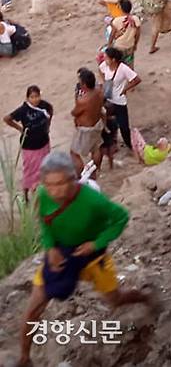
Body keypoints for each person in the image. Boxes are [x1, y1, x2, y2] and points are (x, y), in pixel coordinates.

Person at [16, 151, 156, 367]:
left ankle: (144, 298)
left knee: (115, 300)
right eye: (49, 184)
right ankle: (24, 359)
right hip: (61, 256)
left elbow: (121, 218)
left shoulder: (93, 201)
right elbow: (46, 221)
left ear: (73, 178)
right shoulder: (44, 194)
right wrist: (50, 247)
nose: (54, 191)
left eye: (60, 183)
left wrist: (96, 243)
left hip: (93, 258)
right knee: (33, 307)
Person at [4, 86, 53, 200]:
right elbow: (7, 119)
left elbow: (51, 110)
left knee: (44, 167)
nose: (35, 99)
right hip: (30, 147)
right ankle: (26, 194)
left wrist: (48, 125)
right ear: (27, 98)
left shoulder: (44, 105)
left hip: (44, 143)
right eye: (32, 97)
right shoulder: (23, 110)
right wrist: (20, 129)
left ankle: (41, 192)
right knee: (29, 170)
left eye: (37, 96)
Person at [99, 47, 141, 149]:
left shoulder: (123, 68)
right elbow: (100, 69)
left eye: (106, 58)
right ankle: (113, 143)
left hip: (119, 101)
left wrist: (125, 89)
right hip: (108, 99)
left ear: (113, 59)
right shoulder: (105, 65)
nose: (104, 60)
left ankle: (129, 144)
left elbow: (136, 79)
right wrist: (104, 81)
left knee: (124, 126)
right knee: (110, 123)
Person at [71, 68, 104, 176]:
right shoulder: (99, 91)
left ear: (84, 84)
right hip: (97, 123)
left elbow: (75, 112)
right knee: (96, 148)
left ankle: (81, 174)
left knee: (74, 153)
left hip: (86, 129)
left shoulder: (83, 100)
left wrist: (76, 98)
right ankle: (95, 169)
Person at [107, 0, 141, 67]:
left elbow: (112, 34)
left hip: (119, 46)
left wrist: (109, 44)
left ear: (121, 9)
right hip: (130, 45)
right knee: (130, 64)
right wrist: (135, 44)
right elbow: (138, 33)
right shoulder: (135, 19)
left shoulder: (116, 21)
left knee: (119, 64)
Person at [98, 105, 119, 173]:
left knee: (100, 155)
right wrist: (115, 141)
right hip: (111, 140)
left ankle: (98, 168)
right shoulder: (114, 121)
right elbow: (115, 133)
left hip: (102, 141)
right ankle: (111, 167)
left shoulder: (101, 122)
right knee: (111, 155)